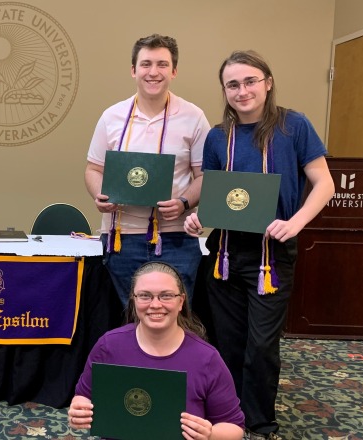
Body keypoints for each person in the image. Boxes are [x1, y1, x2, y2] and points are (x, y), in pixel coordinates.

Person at [184, 50, 334, 440]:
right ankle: (230, 416)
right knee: (228, 343)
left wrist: (296, 222)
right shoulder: (219, 137)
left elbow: (324, 182)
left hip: (272, 256)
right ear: (225, 91)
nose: (242, 90)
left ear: (267, 82)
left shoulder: (294, 126)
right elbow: (216, 194)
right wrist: (196, 215)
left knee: (262, 346)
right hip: (227, 255)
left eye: (250, 81)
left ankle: (261, 422)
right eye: (232, 84)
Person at [84, 34, 210, 310]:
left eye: (162, 64)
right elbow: (94, 169)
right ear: (133, 70)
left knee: (175, 318)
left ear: (174, 71)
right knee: (131, 319)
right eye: (146, 64)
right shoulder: (112, 116)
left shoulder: (194, 117)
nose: (153, 72)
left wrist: (183, 203)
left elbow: (205, 176)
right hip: (122, 237)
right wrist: (100, 196)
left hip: (176, 237)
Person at [68, 262, 245, 440]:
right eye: (145, 296)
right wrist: (79, 409)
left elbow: (235, 428)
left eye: (166, 296)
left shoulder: (206, 358)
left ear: (181, 301)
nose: (155, 304)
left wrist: (210, 434)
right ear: (134, 299)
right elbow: (84, 395)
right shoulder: (109, 346)